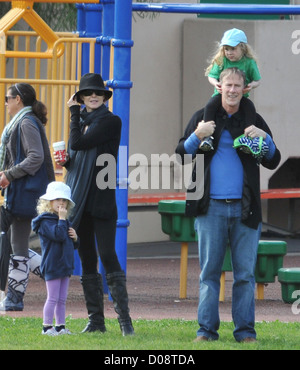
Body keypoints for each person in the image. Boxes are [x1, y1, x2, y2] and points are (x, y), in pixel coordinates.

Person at [175, 67, 281, 342]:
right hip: (210, 208)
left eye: (237, 85)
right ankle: (206, 332)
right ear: (219, 87)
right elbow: (181, 154)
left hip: (246, 209)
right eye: (228, 85)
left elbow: (273, 159)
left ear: (245, 88)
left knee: (245, 275)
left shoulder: (254, 119)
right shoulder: (203, 117)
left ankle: (245, 333)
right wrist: (197, 135)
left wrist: (265, 139)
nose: (232, 90)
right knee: (209, 272)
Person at [54, 73, 134, 336]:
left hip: (101, 199)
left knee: (108, 255)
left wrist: (73, 113)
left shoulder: (111, 121)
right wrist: (66, 161)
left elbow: (78, 142)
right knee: (87, 259)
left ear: (104, 96)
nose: (93, 96)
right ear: (81, 97)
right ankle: (96, 322)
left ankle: (125, 323)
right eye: (87, 93)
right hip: (80, 200)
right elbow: (77, 152)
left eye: (97, 92)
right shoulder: (84, 122)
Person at [0, 83, 55, 311]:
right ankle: (53, 271)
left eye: (7, 98)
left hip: (25, 192)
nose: (6, 102)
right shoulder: (25, 121)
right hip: (24, 191)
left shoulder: (25, 122)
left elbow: (35, 157)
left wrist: (9, 175)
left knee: (18, 247)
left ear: (18, 100)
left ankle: (15, 297)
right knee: (16, 245)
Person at [201, 28, 261, 151]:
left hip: (241, 97)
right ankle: (207, 137)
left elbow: (258, 80)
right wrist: (216, 83)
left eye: (233, 49)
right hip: (220, 95)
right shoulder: (222, 60)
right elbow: (211, 75)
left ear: (242, 48)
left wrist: (251, 85)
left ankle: (249, 138)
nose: (229, 52)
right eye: (226, 49)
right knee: (210, 106)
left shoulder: (248, 63)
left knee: (249, 108)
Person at [32, 181, 77, 336]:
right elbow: (58, 235)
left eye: (64, 200)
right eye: (58, 199)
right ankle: (47, 327)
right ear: (49, 202)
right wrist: (62, 220)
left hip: (64, 264)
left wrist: (75, 238)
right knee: (52, 297)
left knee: (62, 299)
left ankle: (60, 326)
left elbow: (69, 243)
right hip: (52, 264)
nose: (61, 203)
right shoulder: (45, 221)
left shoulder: (63, 220)